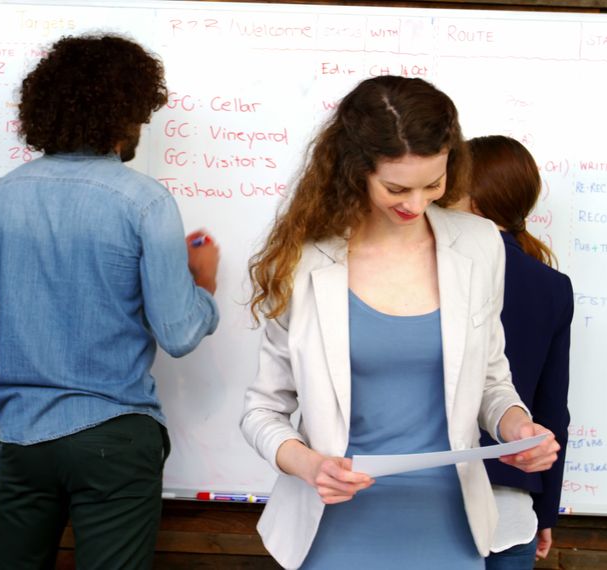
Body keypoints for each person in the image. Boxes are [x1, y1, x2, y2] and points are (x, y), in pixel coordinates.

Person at [240, 75, 560, 570]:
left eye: (434, 184)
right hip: (334, 523)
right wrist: (311, 465)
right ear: (355, 170)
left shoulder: (478, 244)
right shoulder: (304, 261)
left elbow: (493, 381)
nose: (416, 204)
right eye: (396, 188)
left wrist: (517, 428)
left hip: (451, 525)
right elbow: (263, 411)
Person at [0, 34, 220, 570]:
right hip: (115, 434)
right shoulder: (144, 202)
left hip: (25, 437)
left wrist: (23, 366)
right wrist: (202, 285)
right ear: (125, 114)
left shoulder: (3, 194)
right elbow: (180, 334)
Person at [454, 135, 573, 568]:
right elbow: (552, 413)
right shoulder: (552, 287)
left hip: (430, 506)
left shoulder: (433, 270)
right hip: (511, 511)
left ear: (472, 196)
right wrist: (545, 512)